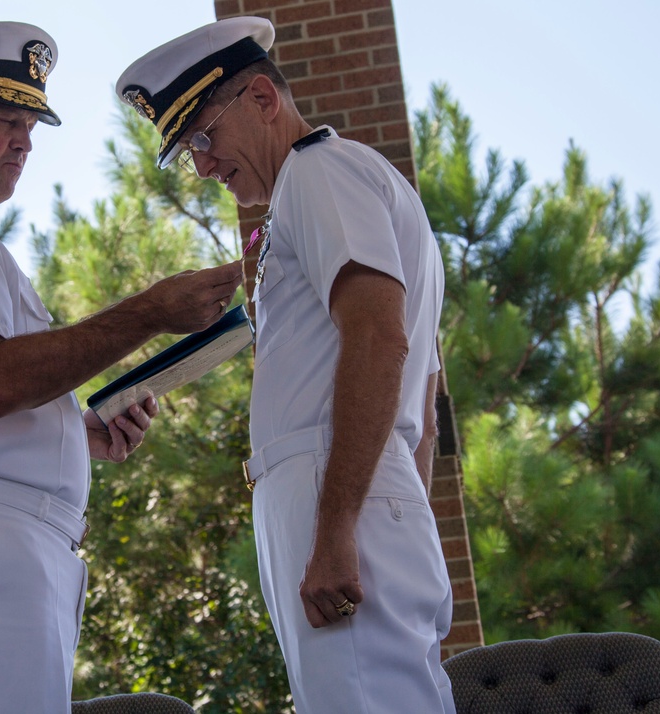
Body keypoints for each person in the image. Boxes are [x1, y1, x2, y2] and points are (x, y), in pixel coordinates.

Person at [0, 21, 242, 714]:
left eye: (31, 125)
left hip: (0, 540)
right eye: (5, 118)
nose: (23, 141)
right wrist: (150, 311)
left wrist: (72, 433)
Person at [117, 16, 455, 714]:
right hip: (361, 488)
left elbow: (376, 338)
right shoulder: (348, 183)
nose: (203, 165)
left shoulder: (316, 169)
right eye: (188, 152)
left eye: (203, 137)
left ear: (264, 100)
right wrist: (396, 520)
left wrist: (336, 532)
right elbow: (417, 407)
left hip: (333, 485)